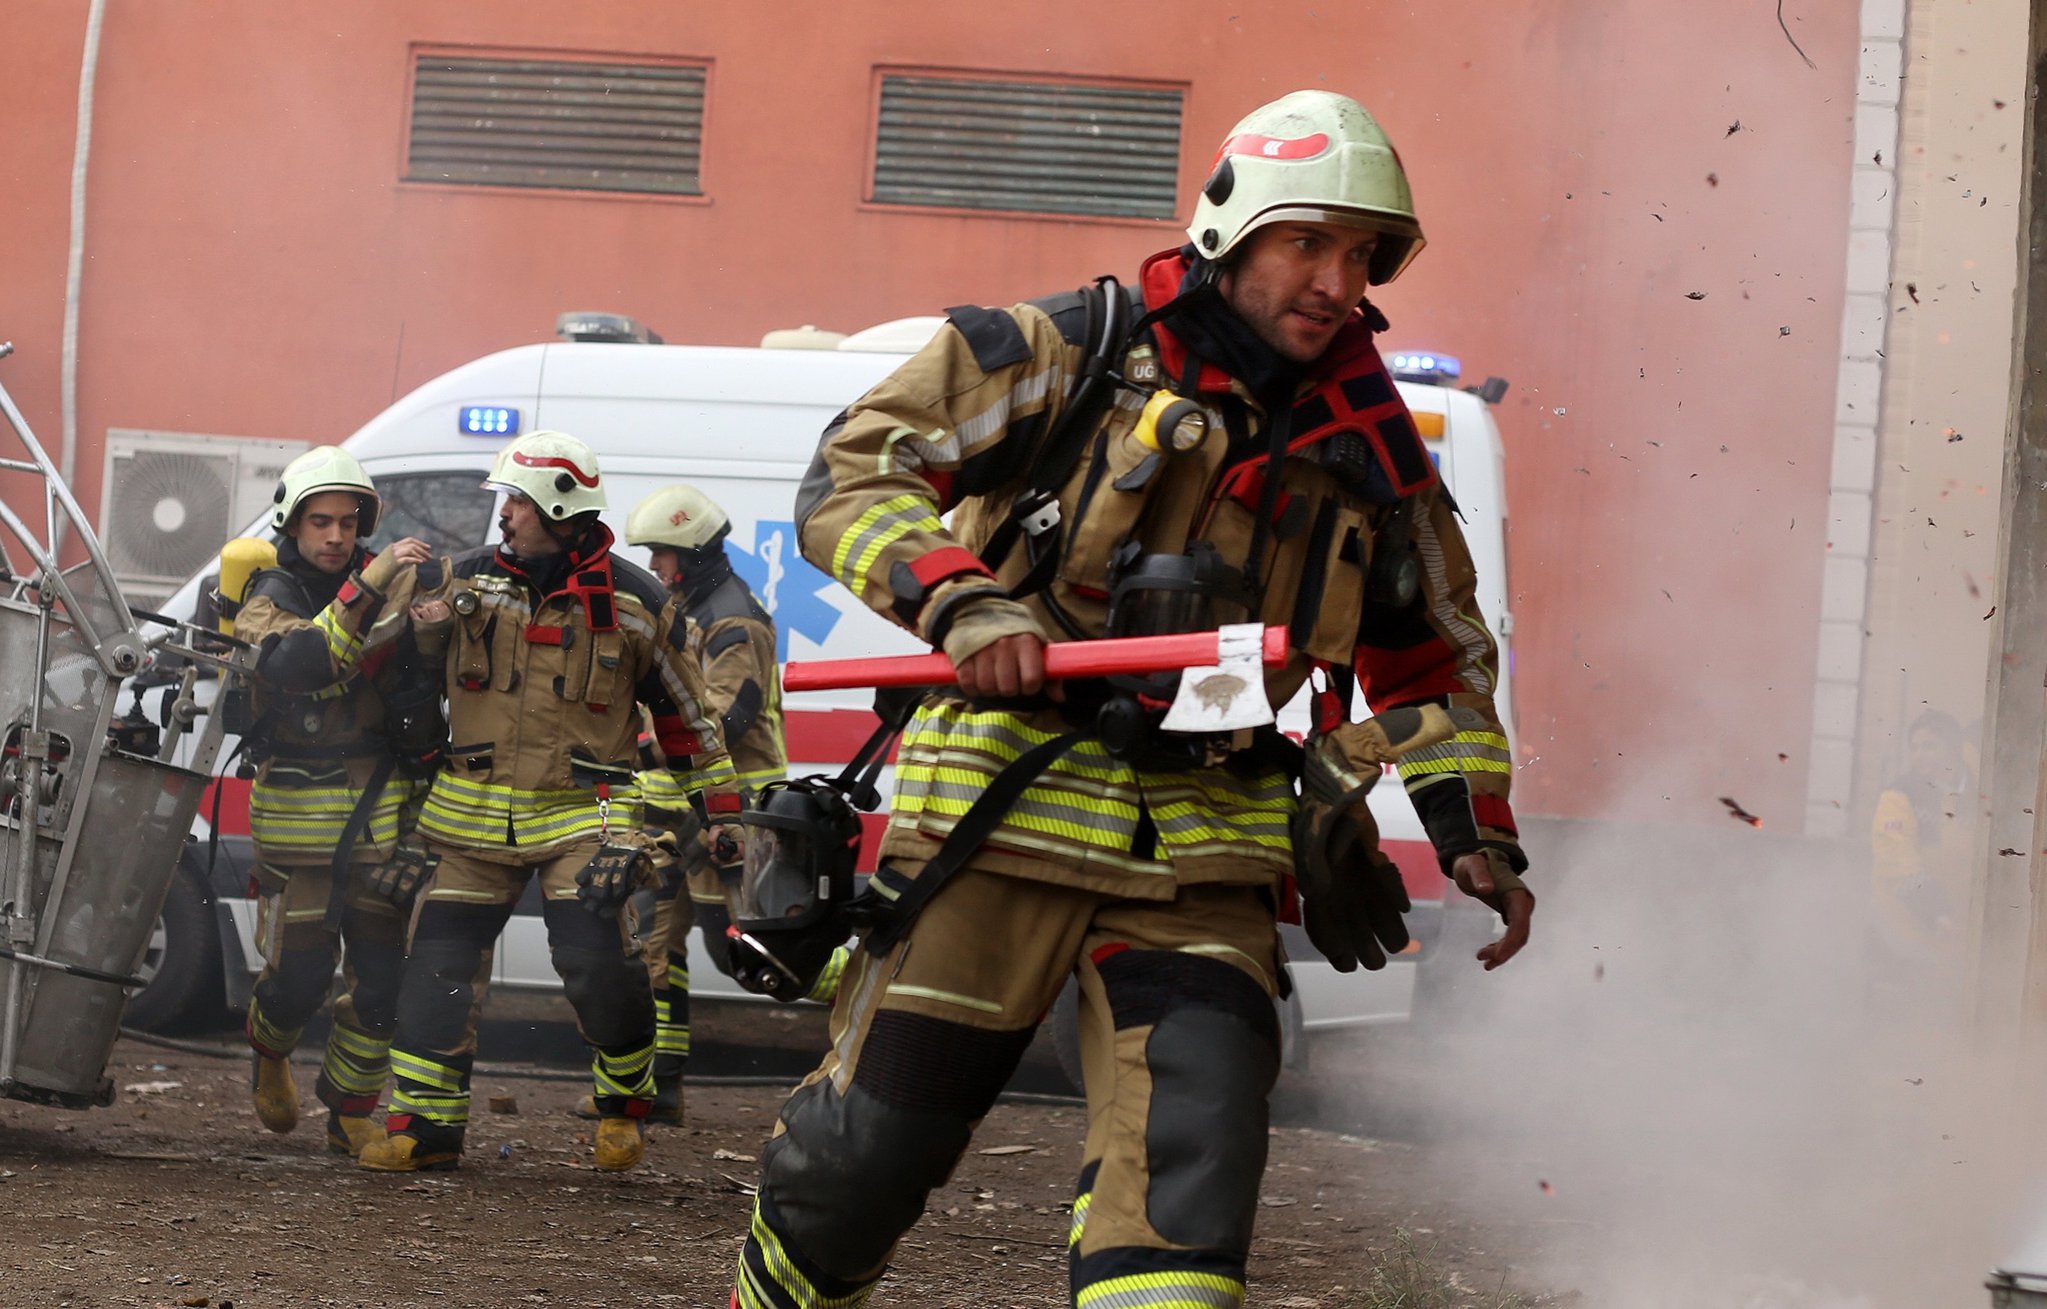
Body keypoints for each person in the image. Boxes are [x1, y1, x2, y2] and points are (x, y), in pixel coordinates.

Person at [729, 89, 1535, 1308]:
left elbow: (1435, 655)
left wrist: (1473, 830)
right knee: (862, 1163)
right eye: (1307, 242)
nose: (1335, 279)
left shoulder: (1372, 448)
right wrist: (966, 603)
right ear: (1233, 229)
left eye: (1361, 255)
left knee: (1187, 1186)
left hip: (1203, 857)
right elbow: (856, 466)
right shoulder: (1071, 350)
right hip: (1001, 825)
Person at [356, 431, 741, 1174]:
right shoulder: (460, 581)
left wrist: (720, 811)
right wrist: (395, 612)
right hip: (469, 818)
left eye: (518, 503)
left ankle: (624, 1100)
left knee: (596, 961)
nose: (504, 516)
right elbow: (377, 662)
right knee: (435, 968)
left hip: (584, 815)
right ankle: (426, 1126)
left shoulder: (638, 604)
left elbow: (688, 719)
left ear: (561, 509)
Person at [231, 447, 442, 1159]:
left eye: (348, 524)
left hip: (383, 811)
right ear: (292, 525)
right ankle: (271, 1050)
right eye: (320, 522)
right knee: (300, 978)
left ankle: (351, 1114)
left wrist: (435, 615)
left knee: (382, 980)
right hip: (303, 817)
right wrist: (373, 581)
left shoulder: (390, 581)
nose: (336, 538)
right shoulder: (272, 592)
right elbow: (300, 664)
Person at [566, 482, 798, 1125]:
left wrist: (636, 750)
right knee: (652, 949)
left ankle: (869, 1024)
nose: (656, 567)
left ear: (693, 553)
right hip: (673, 817)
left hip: (735, 814)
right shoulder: (685, 609)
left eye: (663, 555)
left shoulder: (734, 619)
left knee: (760, 951)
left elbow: (725, 717)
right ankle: (656, 1087)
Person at [1868, 708, 1976, 1014]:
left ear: (1953, 748)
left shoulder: (1982, 797)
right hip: (1901, 940)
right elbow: (1896, 864)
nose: (1918, 755)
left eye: (1929, 746)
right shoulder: (1898, 797)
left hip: (1958, 945)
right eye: (1913, 747)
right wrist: (1937, 912)